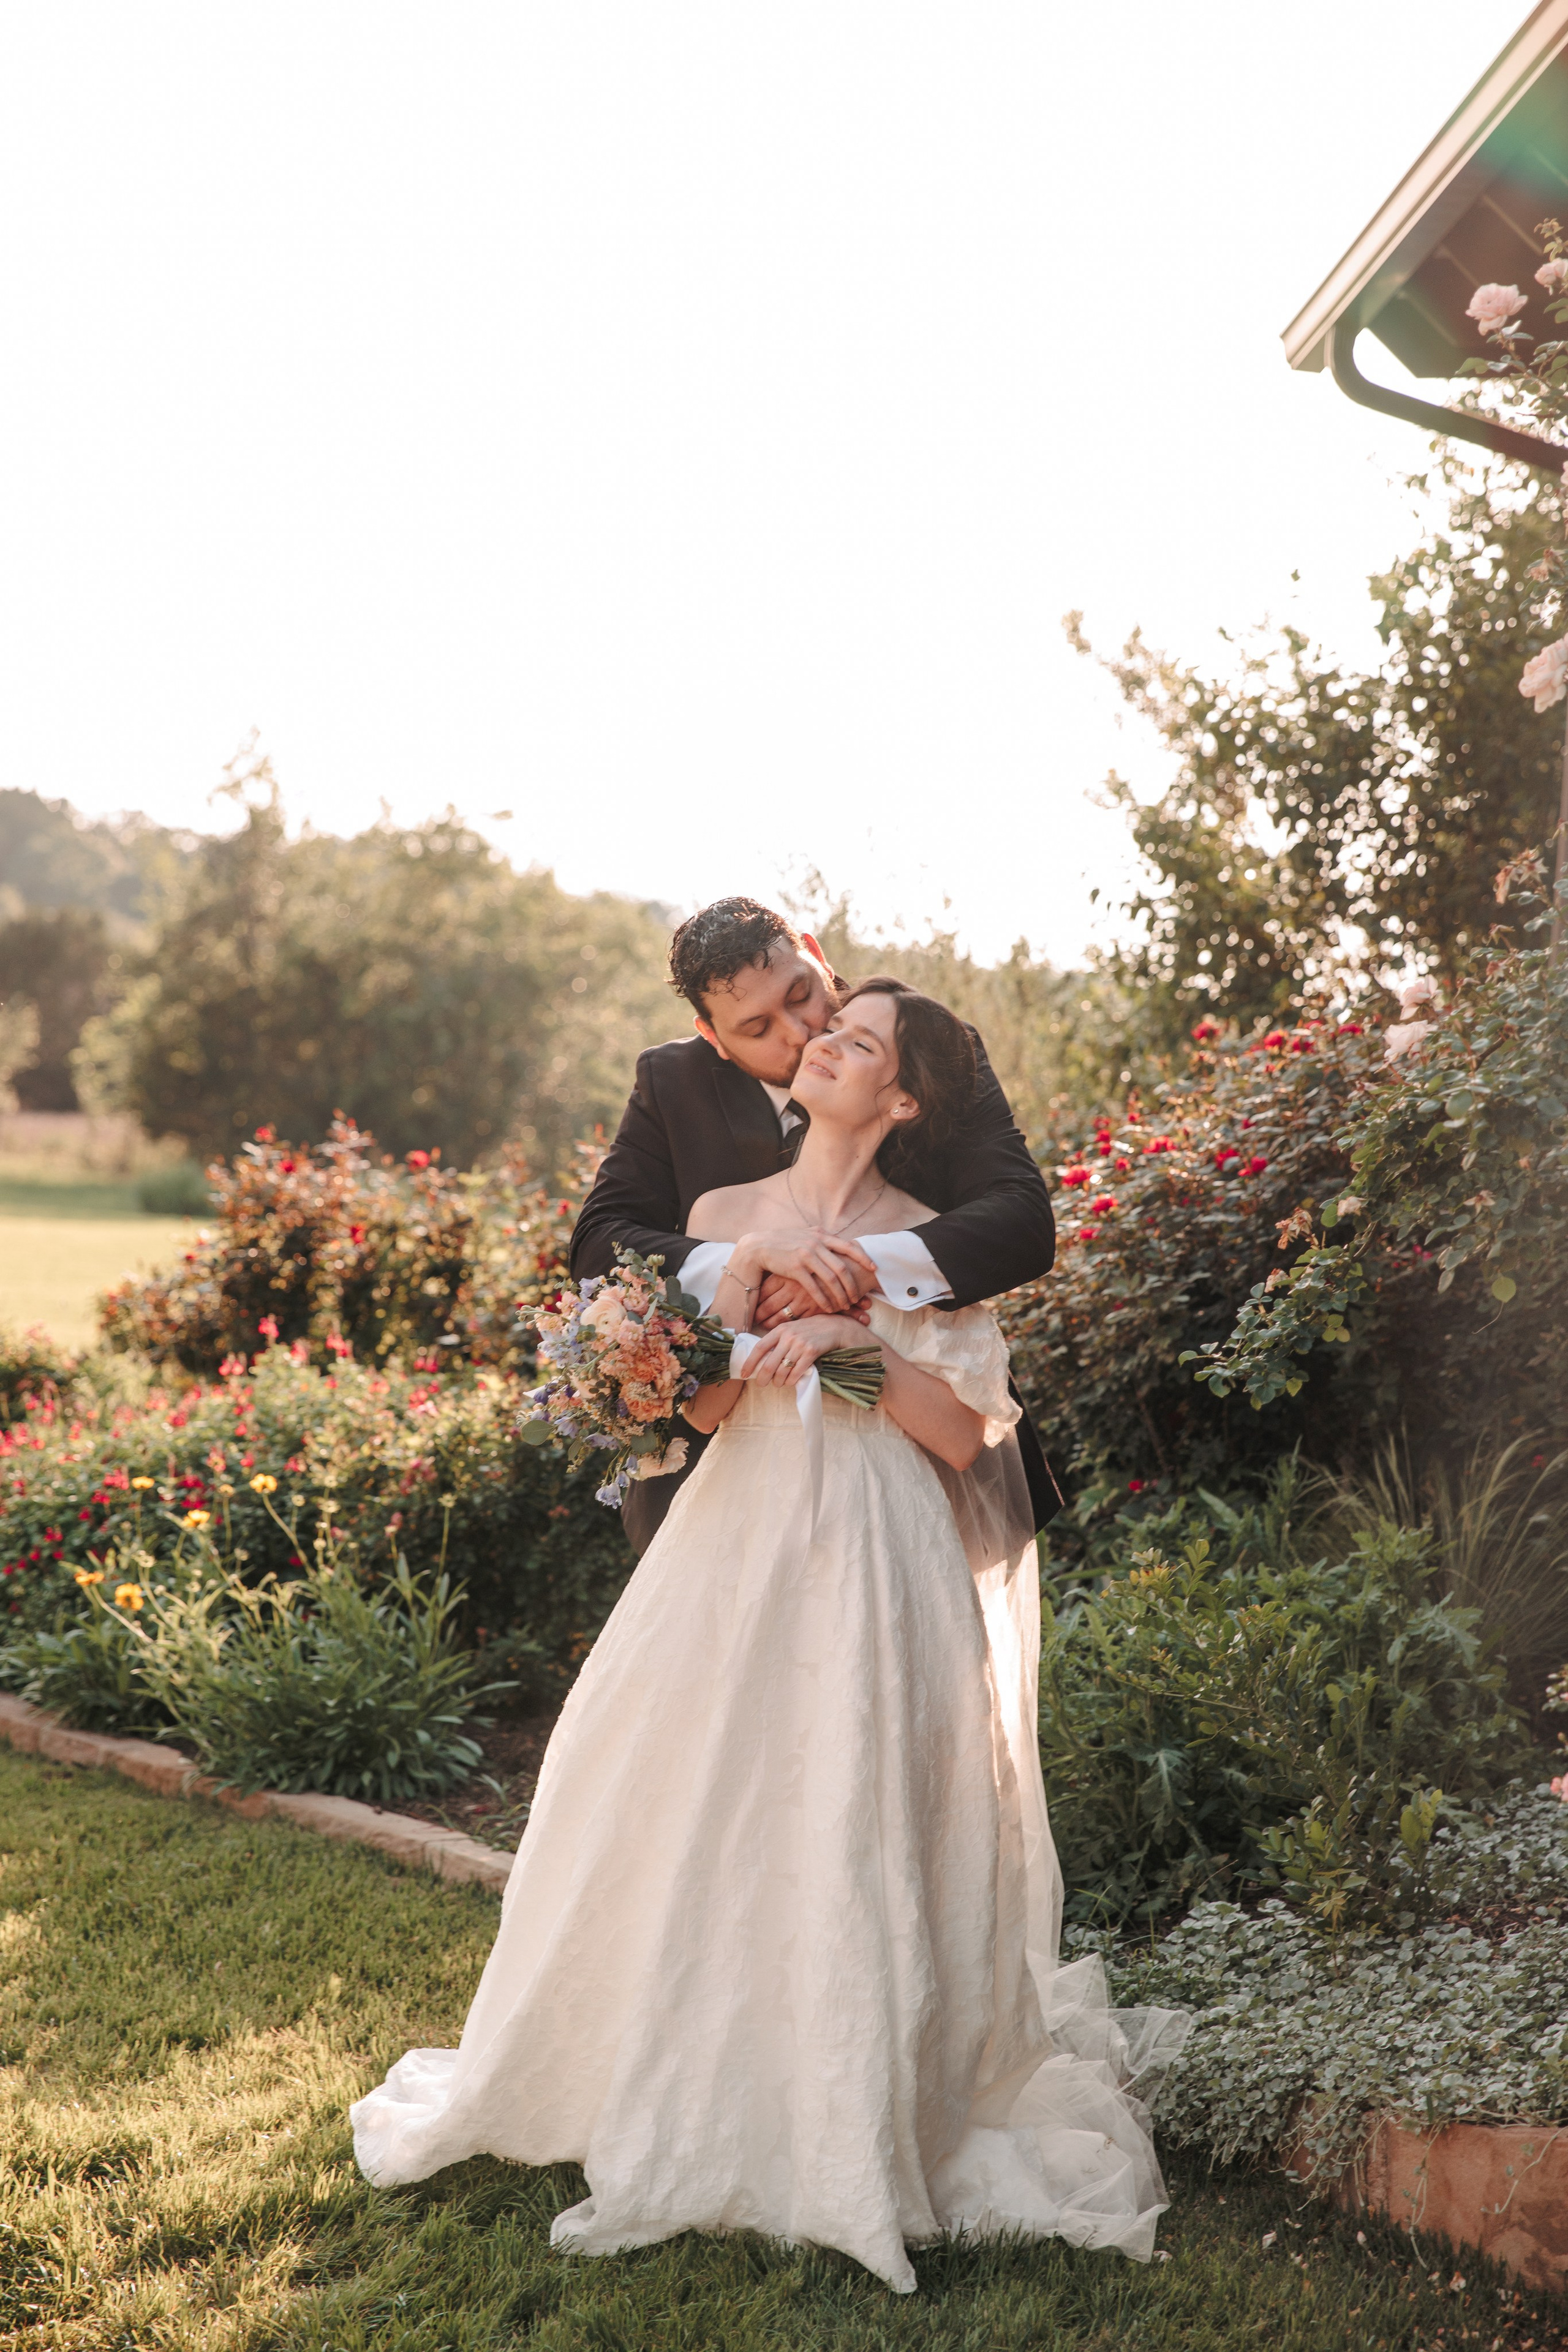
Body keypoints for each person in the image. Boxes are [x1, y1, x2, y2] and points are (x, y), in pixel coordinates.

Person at [351, 978, 1185, 2292]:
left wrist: (855, 1343)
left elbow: (966, 1435)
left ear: (899, 1100)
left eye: (856, 1041)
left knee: (854, 1801)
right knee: (693, 1793)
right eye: (827, 1031)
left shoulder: (926, 1240)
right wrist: (740, 1340)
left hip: (879, 1550)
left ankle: (856, 2097)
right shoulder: (717, 1220)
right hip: (733, 1542)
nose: (823, 1043)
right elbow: (685, 1413)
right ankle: (679, 2068)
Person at [570, 897, 1063, 1554]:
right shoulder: (673, 1082)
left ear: (817, 954)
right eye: (756, 1027)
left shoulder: (926, 1051)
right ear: (713, 1036)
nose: (802, 1033)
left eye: (801, 994)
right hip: (722, 1483)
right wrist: (750, 1264)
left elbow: (1021, 1218)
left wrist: (848, 1268)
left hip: (915, 1482)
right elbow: (599, 1243)